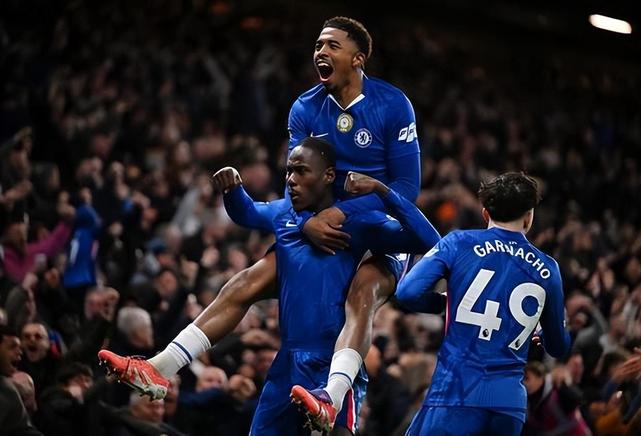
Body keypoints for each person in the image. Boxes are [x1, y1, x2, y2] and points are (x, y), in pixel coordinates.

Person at [99, 15, 422, 426]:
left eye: (332, 45)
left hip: (375, 229)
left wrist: (344, 212)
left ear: (358, 59)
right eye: (318, 45)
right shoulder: (305, 107)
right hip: (319, 226)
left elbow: (407, 188)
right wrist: (304, 223)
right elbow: (297, 177)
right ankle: (161, 367)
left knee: (362, 293)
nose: (320, 52)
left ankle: (332, 395)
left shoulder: (392, 105)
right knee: (247, 280)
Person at [104, 137, 437, 434]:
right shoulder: (285, 214)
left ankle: (332, 395)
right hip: (287, 362)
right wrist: (233, 192)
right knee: (241, 283)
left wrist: (382, 192)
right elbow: (247, 213)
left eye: (301, 171)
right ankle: (161, 367)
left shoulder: (359, 222)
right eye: (289, 171)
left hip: (333, 364)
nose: (291, 179)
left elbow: (428, 241)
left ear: (328, 176)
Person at [394, 172, 572, 436]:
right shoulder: (548, 268)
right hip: (509, 406)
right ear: (528, 217)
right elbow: (558, 347)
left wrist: (444, 304)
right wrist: (545, 334)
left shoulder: (459, 243)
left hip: (457, 393)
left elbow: (407, 293)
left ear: (485, 213)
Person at [0, 324, 43, 435]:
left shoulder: (8, 388)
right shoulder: (6, 389)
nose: (20, 352)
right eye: (12, 347)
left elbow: (22, 429)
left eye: (19, 347)